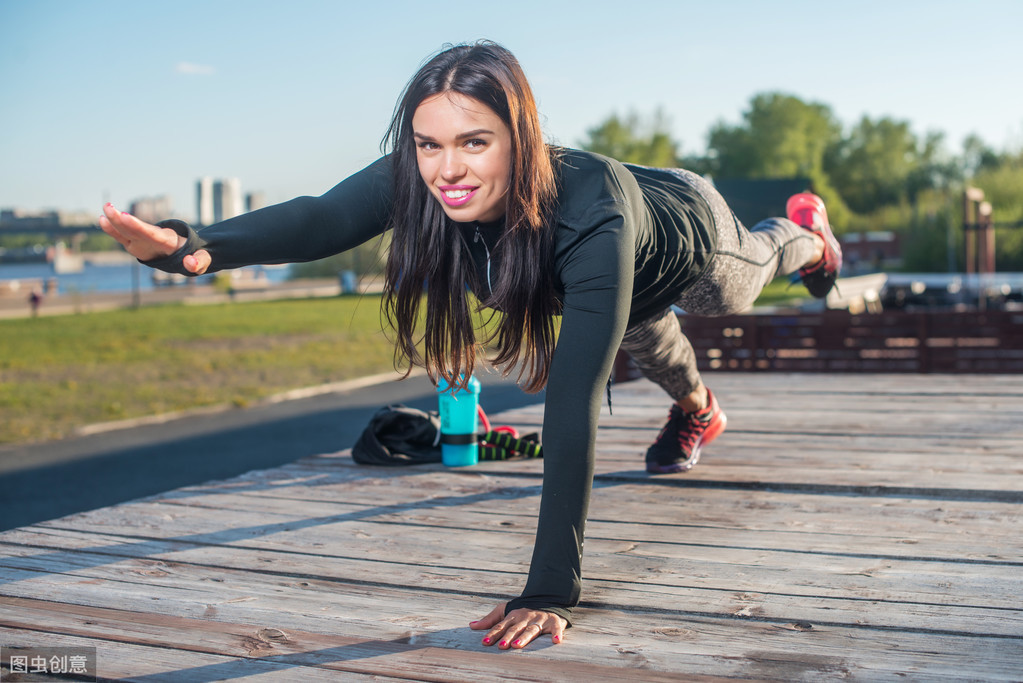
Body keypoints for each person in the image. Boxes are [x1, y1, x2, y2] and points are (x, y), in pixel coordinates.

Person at [99, 40, 841, 650]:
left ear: (518, 138)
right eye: (428, 144)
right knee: (650, 341)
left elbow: (573, 404)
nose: (446, 169)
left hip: (687, 229)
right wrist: (191, 248)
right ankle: (699, 409)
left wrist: (551, 587)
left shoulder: (593, 220)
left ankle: (811, 236)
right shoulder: (428, 178)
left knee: (742, 280)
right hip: (620, 274)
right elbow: (322, 217)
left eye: (473, 142)